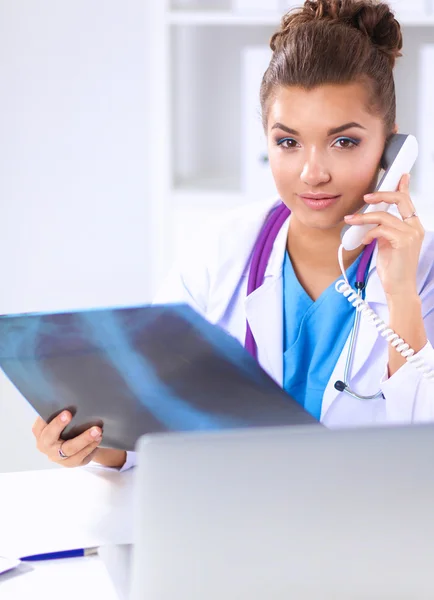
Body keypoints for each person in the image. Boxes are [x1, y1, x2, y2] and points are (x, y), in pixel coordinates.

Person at [32, 0, 434, 471]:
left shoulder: (422, 264)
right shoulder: (219, 252)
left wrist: (401, 291)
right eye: (288, 142)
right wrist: (96, 443)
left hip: (377, 531)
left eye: (343, 141)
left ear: (392, 148)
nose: (312, 173)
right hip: (230, 523)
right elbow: (154, 425)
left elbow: (422, 456)